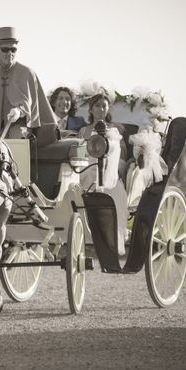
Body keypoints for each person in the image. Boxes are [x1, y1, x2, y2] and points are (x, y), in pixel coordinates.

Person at [0, 27, 57, 142]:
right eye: (5, 49)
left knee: (18, 139)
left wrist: (18, 111)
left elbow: (27, 104)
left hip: (17, 125)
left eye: (13, 50)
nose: (10, 53)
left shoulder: (27, 72)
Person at [81, 93, 128, 255]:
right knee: (84, 175)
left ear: (108, 109)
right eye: (97, 105)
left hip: (109, 167)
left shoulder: (117, 129)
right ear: (91, 109)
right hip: (86, 165)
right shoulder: (84, 130)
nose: (101, 108)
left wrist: (110, 166)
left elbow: (122, 155)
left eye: (104, 105)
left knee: (106, 183)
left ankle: (110, 237)